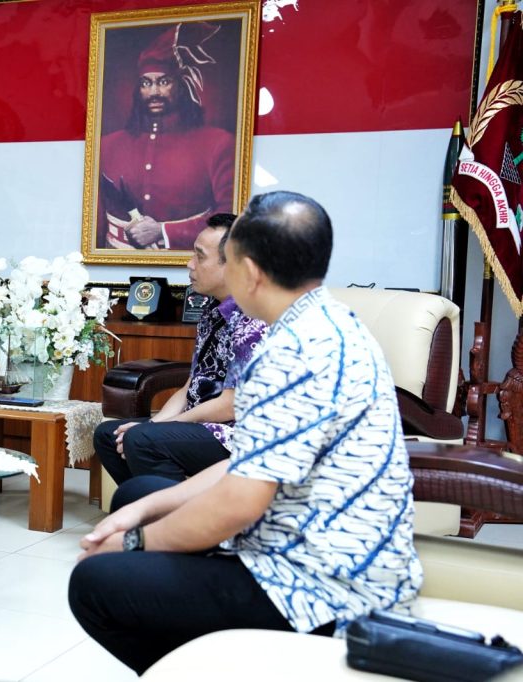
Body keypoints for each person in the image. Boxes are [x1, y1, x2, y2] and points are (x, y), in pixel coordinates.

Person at [69, 191, 422, 674]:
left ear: (250, 272)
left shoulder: (293, 351)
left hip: (321, 588)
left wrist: (135, 542)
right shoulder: (328, 321)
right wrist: (146, 512)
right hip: (299, 545)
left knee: (95, 583)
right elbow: (247, 462)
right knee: (138, 494)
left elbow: (240, 502)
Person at [94, 213, 265, 485]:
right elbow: (191, 386)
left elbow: (230, 406)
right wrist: (154, 424)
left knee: (141, 439)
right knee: (109, 435)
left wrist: (164, 426)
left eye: (200, 256)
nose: (189, 263)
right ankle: (144, 504)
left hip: (238, 435)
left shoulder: (254, 318)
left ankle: (176, 511)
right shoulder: (211, 308)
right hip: (201, 426)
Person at [98, 22, 235, 251]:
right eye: (146, 83)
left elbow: (229, 215)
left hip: (188, 259)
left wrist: (164, 232)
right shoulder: (107, 145)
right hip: (115, 258)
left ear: (180, 86)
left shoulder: (217, 143)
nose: (154, 92)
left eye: (163, 82)